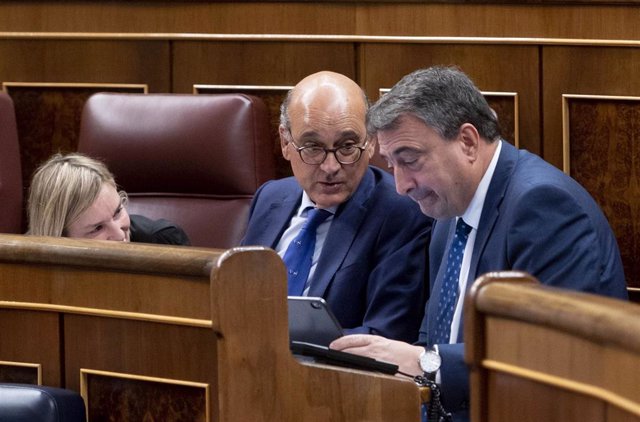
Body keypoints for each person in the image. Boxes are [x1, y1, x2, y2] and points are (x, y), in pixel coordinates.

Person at [330, 66, 628, 421]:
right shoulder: (447, 211)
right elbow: (432, 335)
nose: (402, 185)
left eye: (410, 161)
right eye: (392, 165)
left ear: (468, 142)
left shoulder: (542, 206)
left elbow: (558, 358)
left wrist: (428, 363)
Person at [241, 71, 432, 343]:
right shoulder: (270, 197)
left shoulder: (401, 213)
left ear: (371, 142)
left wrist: (276, 344)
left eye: (347, 146)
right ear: (285, 143)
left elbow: (385, 335)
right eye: (312, 146)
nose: (331, 167)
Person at [27, 152, 190, 245]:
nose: (119, 234)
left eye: (118, 212)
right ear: (59, 239)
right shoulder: (20, 266)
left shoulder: (165, 240)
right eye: (97, 228)